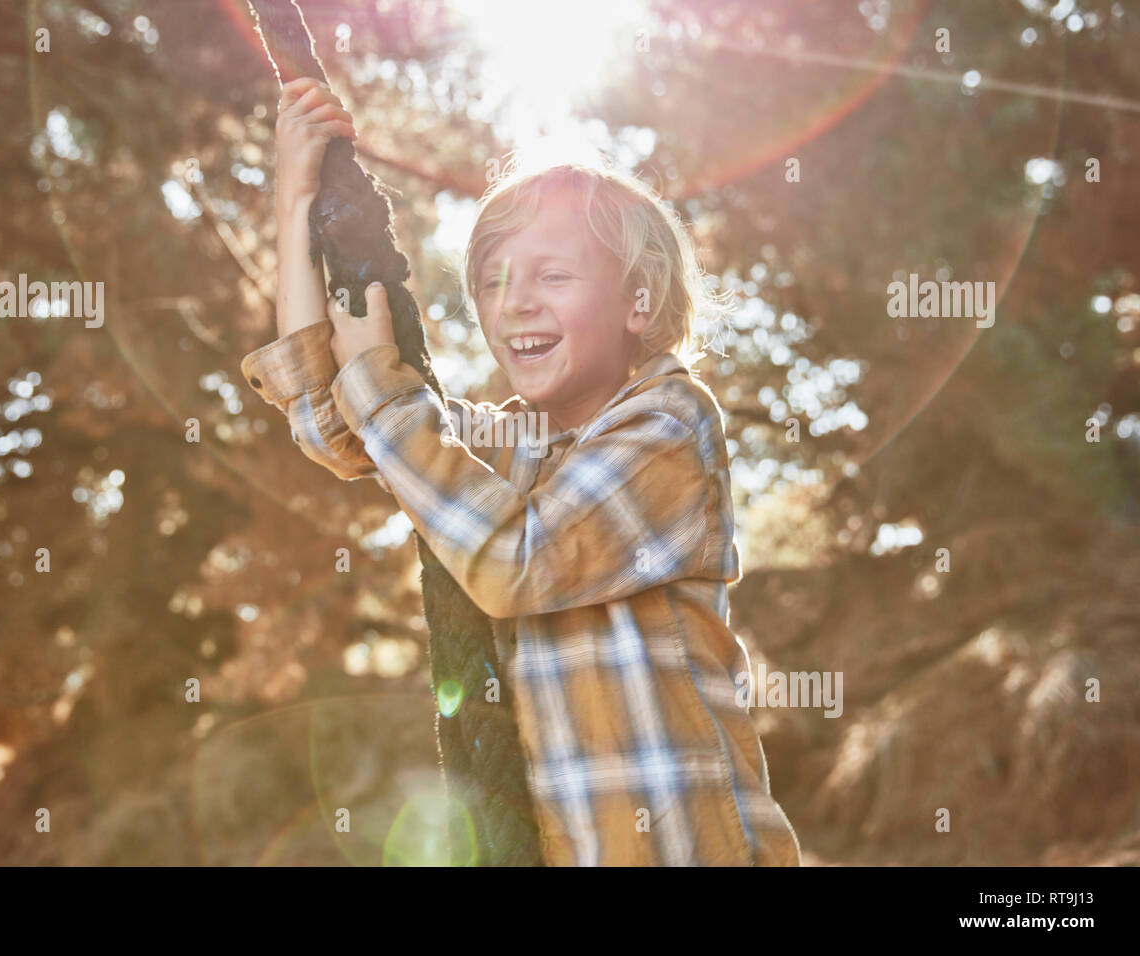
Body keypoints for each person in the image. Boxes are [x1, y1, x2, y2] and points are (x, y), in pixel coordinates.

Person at [241, 76, 802, 866]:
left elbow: (518, 561)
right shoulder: (515, 448)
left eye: (553, 275)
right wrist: (295, 198)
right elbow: (337, 419)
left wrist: (383, 390)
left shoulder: (672, 425)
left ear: (638, 302)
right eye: (495, 283)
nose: (516, 304)